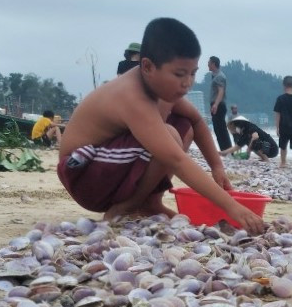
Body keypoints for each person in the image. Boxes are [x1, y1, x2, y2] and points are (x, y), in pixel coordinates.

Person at [57, 17, 264, 231]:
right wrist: (233, 208)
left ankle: (150, 203)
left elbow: (197, 121)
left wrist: (217, 166)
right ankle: (128, 206)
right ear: (147, 66)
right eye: (179, 74)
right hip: (83, 174)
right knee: (170, 136)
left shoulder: (161, 89)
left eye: (193, 73)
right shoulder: (132, 96)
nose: (187, 82)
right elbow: (175, 159)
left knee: (185, 126)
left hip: (110, 164)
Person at [207, 56, 231, 151]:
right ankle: (224, 150)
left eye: (209, 63)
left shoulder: (220, 76)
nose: (208, 65)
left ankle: (227, 150)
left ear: (213, 64)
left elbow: (221, 91)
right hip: (216, 104)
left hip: (219, 105)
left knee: (221, 129)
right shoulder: (215, 75)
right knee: (218, 129)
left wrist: (215, 104)